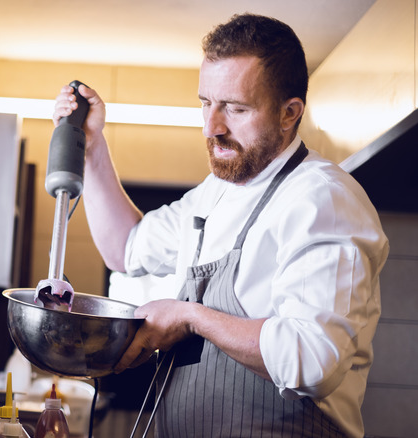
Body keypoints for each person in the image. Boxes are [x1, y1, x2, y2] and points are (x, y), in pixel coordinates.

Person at [52, 13, 388, 438]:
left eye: (235, 107)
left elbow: (312, 359)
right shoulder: (217, 192)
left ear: (290, 113)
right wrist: (93, 144)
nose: (213, 127)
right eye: (206, 103)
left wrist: (191, 317)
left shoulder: (323, 198)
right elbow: (127, 248)